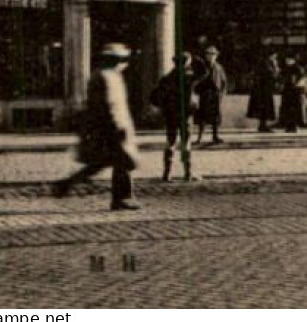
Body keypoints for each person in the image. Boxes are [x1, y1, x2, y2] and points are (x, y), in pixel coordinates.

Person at [53, 44, 140, 211]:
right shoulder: (105, 76)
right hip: (110, 127)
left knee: (104, 162)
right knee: (123, 162)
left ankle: (66, 184)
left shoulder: (109, 75)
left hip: (112, 126)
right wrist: (117, 126)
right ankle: (122, 198)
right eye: (122, 60)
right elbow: (108, 104)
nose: (125, 63)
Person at [150, 53, 196, 182]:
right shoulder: (188, 78)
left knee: (170, 142)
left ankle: (167, 173)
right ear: (186, 63)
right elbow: (204, 73)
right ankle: (188, 173)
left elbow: (154, 96)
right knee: (186, 143)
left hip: (170, 115)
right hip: (185, 115)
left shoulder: (167, 78)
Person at [193, 46, 228, 145]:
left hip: (215, 95)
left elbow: (224, 81)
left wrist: (222, 93)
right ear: (206, 56)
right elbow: (197, 80)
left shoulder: (219, 67)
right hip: (204, 94)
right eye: (209, 54)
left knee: (215, 117)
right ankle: (199, 138)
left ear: (216, 56)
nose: (211, 56)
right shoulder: (202, 67)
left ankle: (215, 136)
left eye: (213, 54)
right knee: (202, 117)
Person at [247, 48, 278, 133]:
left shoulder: (264, 62)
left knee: (263, 109)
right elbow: (273, 75)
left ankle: (262, 125)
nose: (275, 58)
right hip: (263, 90)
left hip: (261, 90)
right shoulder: (266, 63)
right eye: (274, 56)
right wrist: (275, 66)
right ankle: (263, 126)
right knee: (265, 108)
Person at [278, 54, 305, 132]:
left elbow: (302, 79)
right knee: (287, 109)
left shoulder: (297, 68)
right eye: (287, 60)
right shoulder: (286, 68)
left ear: (293, 60)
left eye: (289, 60)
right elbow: (281, 78)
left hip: (294, 92)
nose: (287, 61)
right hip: (287, 91)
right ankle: (288, 126)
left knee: (293, 109)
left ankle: (293, 126)